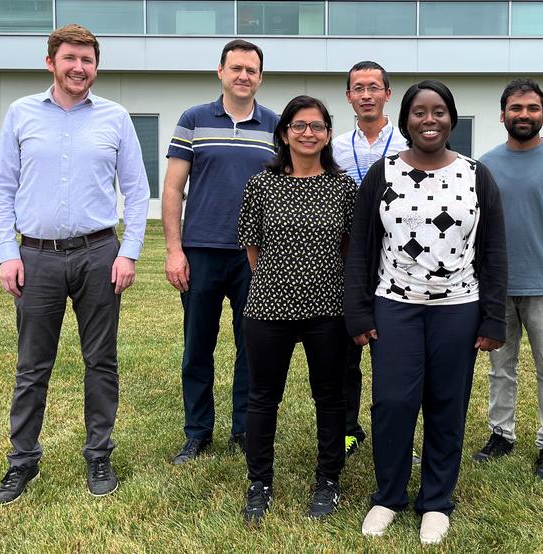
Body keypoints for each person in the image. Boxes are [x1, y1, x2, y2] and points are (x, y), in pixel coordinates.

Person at [0, 23, 149, 504]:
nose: (79, 68)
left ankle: (99, 455)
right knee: (32, 366)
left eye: (87, 60)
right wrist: (7, 254)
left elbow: (137, 190)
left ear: (96, 67)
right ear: (51, 63)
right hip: (36, 256)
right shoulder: (21, 114)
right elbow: (1, 188)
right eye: (70, 59)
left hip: (99, 255)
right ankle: (22, 462)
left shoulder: (115, 118)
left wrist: (128, 252)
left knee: (101, 361)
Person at [345, 80, 507, 544]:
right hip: (394, 305)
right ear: (406, 120)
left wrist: (493, 318)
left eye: (439, 111)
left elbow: (495, 251)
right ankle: (388, 496)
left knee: (446, 405)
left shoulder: (476, 175)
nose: (429, 120)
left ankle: (436, 502)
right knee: (393, 403)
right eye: (419, 112)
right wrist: (358, 312)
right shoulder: (384, 173)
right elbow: (361, 246)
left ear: (451, 119)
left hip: (458, 308)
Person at [237, 96, 356, 523]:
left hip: (328, 309)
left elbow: (348, 249)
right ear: (284, 133)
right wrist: (280, 281)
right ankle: (259, 482)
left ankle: (329, 480)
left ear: (328, 134)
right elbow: (253, 246)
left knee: (330, 395)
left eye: (317, 126)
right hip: (268, 308)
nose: (308, 133)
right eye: (299, 125)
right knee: (262, 397)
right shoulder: (261, 184)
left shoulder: (344, 188)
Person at [162, 39, 279, 465]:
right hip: (201, 252)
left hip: (255, 256)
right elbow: (173, 189)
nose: (243, 76)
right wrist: (174, 250)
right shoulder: (193, 120)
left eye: (251, 70)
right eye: (236, 68)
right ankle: (197, 433)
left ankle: (244, 429)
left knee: (253, 348)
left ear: (260, 77)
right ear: (221, 72)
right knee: (197, 347)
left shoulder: (276, 125)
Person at [474, 79, 543, 481]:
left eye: (532, 108)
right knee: (500, 367)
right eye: (516, 108)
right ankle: (501, 435)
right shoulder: (485, 165)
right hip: (497, 286)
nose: (524, 115)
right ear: (502, 114)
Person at [331, 61, 408, 461]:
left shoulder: (407, 142)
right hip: (349, 259)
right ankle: (348, 431)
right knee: (345, 355)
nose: (366, 95)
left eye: (373, 87)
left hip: (398, 258)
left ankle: (394, 435)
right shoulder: (337, 147)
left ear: (387, 94)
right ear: (349, 97)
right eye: (358, 88)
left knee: (394, 357)